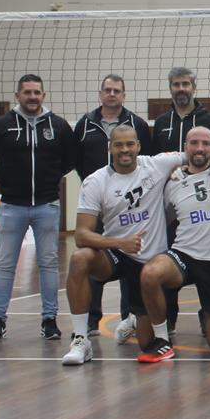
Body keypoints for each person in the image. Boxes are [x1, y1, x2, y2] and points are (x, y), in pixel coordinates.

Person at [60, 124, 210, 366]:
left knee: (147, 342)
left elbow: (204, 152)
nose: (125, 150)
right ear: (110, 148)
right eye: (119, 145)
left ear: (138, 146)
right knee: (79, 258)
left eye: (130, 144)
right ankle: (80, 340)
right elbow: (81, 235)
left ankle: (136, 321)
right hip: (117, 253)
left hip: (149, 260)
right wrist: (121, 242)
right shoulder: (96, 181)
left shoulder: (157, 164)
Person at [0, 74, 75, 343]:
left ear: (43, 95)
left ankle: (50, 321)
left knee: (48, 264)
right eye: (27, 92)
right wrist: (6, 180)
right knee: (5, 265)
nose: (32, 97)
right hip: (12, 205)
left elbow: (70, 160)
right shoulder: (1, 126)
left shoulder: (58, 126)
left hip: (47, 205)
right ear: (17, 95)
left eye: (37, 92)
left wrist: (49, 180)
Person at [139, 127, 210, 359]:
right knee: (150, 273)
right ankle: (162, 340)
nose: (199, 148)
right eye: (194, 143)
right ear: (185, 147)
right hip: (184, 255)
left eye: (205, 144)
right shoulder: (173, 181)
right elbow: (162, 217)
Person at [74, 74, 154, 338]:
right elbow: (76, 158)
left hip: (131, 204)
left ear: (123, 95)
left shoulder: (137, 123)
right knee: (89, 253)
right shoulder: (85, 123)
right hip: (100, 202)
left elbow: (148, 158)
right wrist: (97, 188)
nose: (112, 94)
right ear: (101, 94)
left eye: (116, 91)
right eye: (107, 90)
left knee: (132, 259)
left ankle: (129, 317)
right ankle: (88, 322)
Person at [151, 66, 210, 334]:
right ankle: (167, 319)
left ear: (194, 87)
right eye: (176, 84)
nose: (181, 89)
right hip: (171, 199)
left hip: (203, 199)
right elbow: (155, 162)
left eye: (185, 84)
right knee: (166, 257)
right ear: (170, 88)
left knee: (209, 261)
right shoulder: (162, 122)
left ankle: (209, 314)